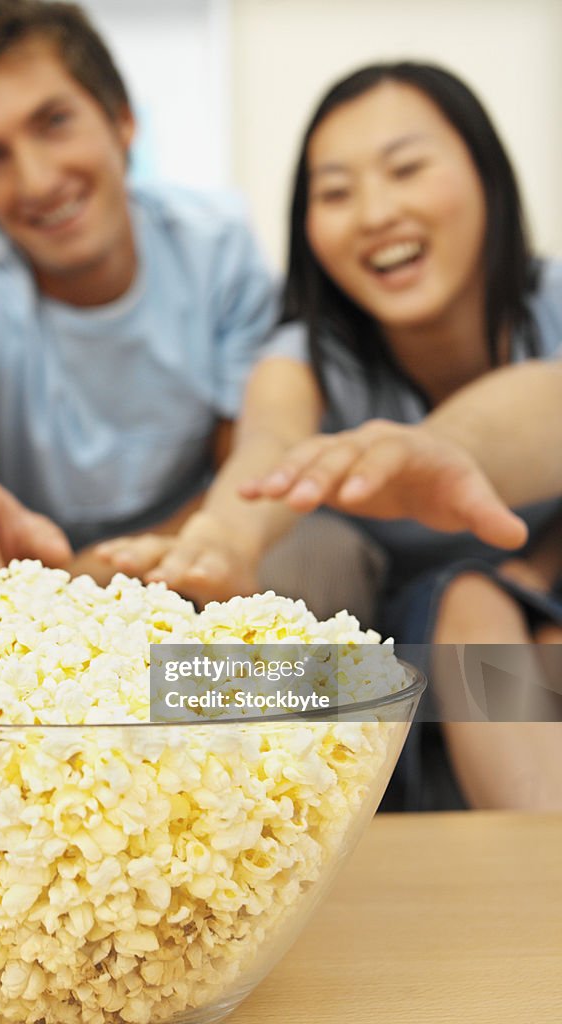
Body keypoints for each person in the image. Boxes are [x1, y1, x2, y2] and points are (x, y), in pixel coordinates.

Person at [117, 61, 561, 810]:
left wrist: (525, 556)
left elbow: (543, 403)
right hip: (396, 647)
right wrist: (224, 539)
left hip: (521, 612)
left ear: (487, 174)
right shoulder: (307, 357)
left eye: (407, 168)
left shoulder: (548, 301)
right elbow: (268, 447)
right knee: (463, 608)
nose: (375, 212)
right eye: (335, 193)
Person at [0, 0, 331, 607]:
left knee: (320, 552)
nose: (38, 181)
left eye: (54, 122)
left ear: (122, 121)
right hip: (4, 593)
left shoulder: (215, 250)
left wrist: (102, 577)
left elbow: (251, 458)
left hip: (180, 552)